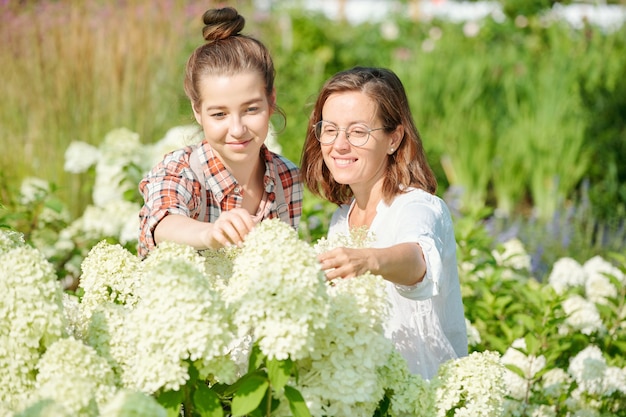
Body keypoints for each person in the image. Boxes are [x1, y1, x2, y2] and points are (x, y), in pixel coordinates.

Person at [300, 66, 467, 378]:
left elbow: (419, 261)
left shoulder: (417, 206)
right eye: (330, 129)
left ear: (394, 139)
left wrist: (370, 259)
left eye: (358, 131)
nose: (339, 145)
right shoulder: (341, 219)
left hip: (424, 396)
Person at [138, 7, 302, 258]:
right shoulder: (180, 170)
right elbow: (163, 222)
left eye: (251, 109)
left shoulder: (287, 178)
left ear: (271, 101)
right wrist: (210, 234)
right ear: (197, 111)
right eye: (219, 114)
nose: (237, 130)